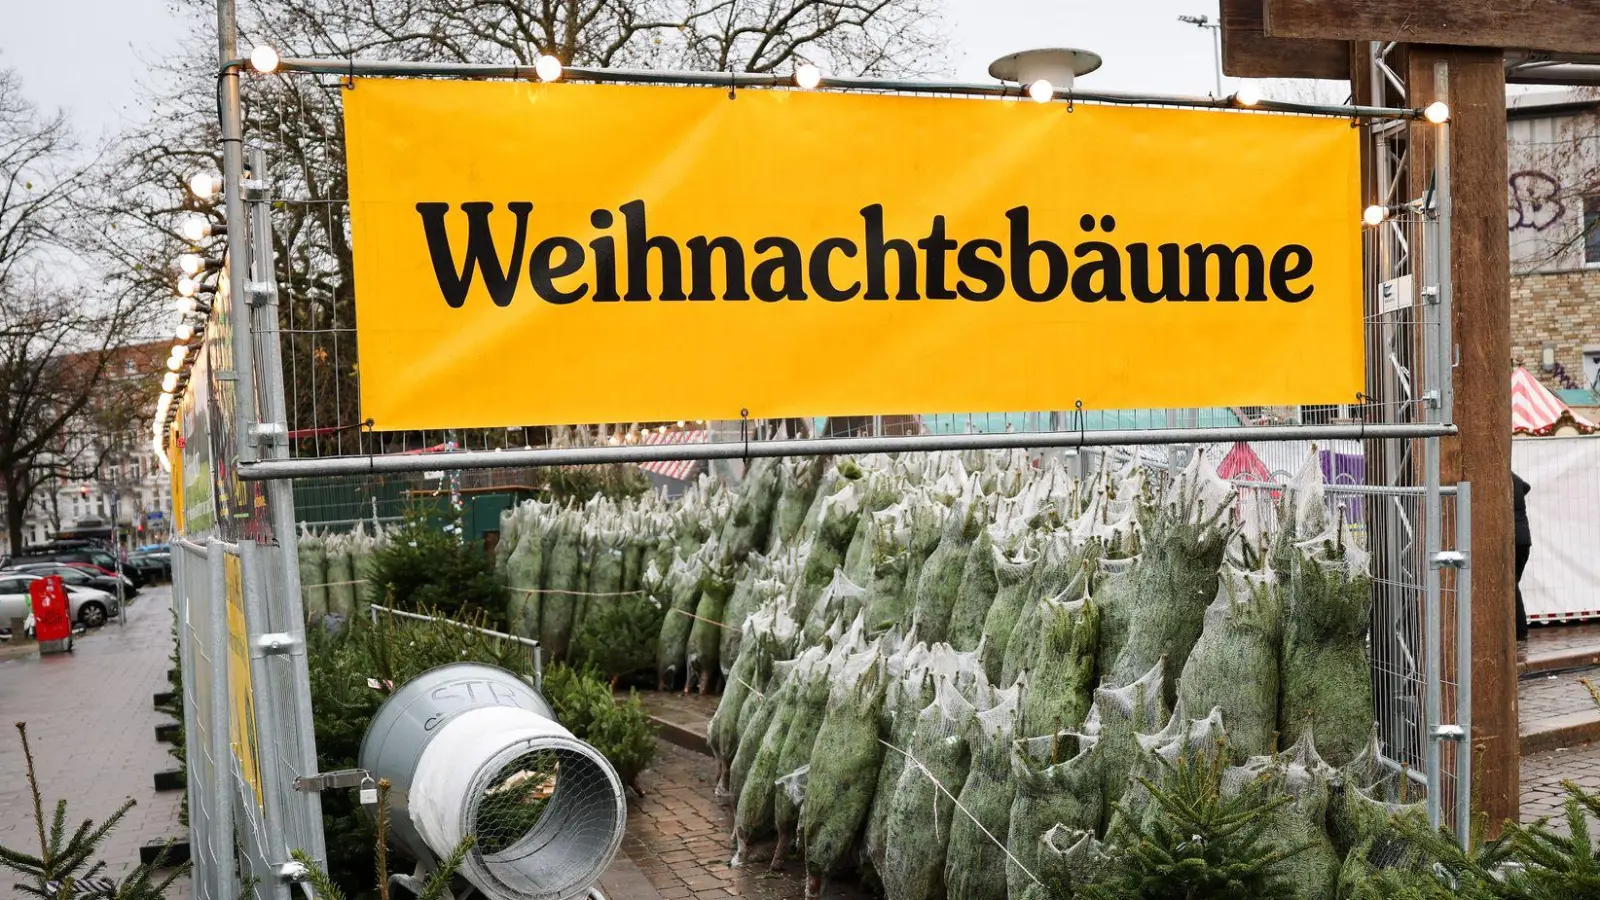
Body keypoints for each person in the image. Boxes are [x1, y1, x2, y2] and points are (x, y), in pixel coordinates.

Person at [1514, 471, 1532, 642]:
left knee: (1510, 584)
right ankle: (1520, 630)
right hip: (1524, 540)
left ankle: (1520, 630)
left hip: (1512, 541)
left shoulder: (1502, 481)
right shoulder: (1517, 480)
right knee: (1513, 583)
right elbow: (1527, 487)